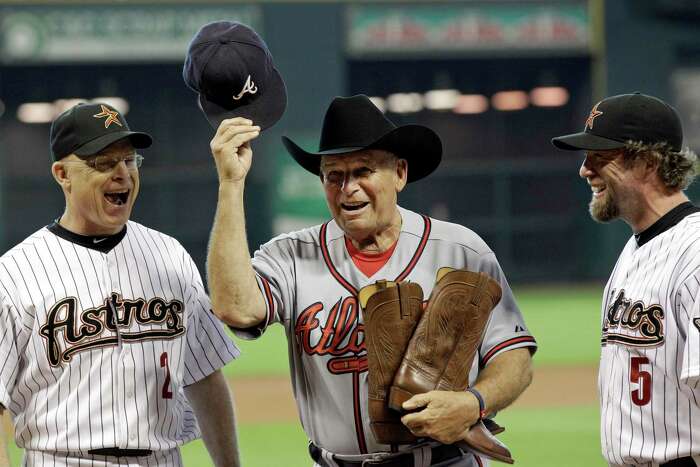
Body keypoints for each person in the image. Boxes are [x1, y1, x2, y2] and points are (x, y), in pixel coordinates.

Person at [207, 94, 537, 466]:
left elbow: (514, 358)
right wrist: (230, 184)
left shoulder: (461, 249)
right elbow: (234, 307)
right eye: (335, 175)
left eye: (363, 171)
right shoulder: (290, 256)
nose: (348, 188)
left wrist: (473, 402)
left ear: (399, 173)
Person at [0, 102, 241, 466]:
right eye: (103, 162)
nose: (122, 174)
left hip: (161, 458)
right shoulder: (16, 272)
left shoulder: (169, 256)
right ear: (62, 174)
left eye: (129, 160)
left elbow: (205, 375)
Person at [552, 92, 700, 467]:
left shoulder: (695, 252)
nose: (585, 169)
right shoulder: (636, 246)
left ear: (648, 162)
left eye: (600, 156)